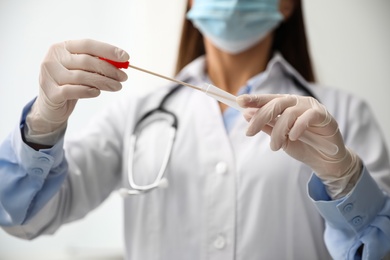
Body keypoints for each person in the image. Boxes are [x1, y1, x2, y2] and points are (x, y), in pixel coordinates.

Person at [1, 0, 389, 259]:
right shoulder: (136, 115)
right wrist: (41, 126)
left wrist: (345, 177)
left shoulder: (342, 115)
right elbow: (22, 217)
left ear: (287, 4)